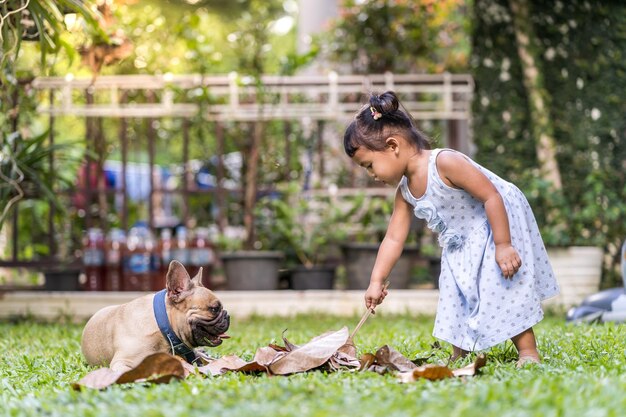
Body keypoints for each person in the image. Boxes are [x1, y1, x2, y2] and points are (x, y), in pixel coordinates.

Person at [343, 91, 559, 366]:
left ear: (392, 145)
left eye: (369, 165)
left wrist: (503, 245)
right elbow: (394, 238)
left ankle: (528, 352)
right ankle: (460, 353)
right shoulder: (405, 191)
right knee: (454, 290)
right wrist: (376, 281)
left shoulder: (444, 163)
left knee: (501, 283)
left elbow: (492, 196)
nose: (371, 174)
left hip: (494, 222)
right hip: (460, 242)